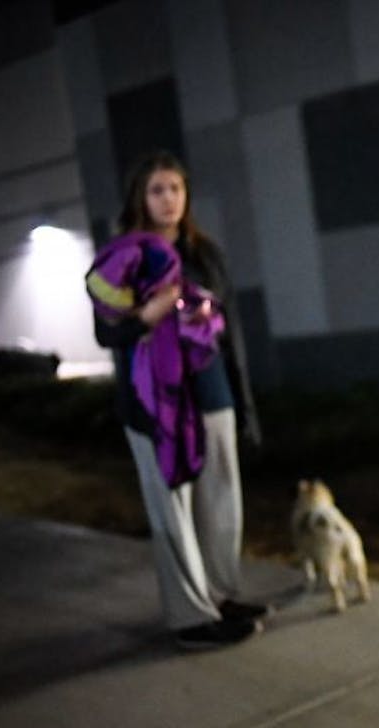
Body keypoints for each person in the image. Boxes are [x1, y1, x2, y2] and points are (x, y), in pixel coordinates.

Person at [91, 150, 269, 650]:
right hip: (154, 404)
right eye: (157, 190)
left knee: (222, 497)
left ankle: (221, 593)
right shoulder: (122, 257)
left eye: (175, 188)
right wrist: (146, 315)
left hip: (211, 392)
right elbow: (107, 335)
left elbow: (231, 334)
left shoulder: (205, 255)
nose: (168, 199)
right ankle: (191, 616)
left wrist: (244, 404)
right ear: (140, 199)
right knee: (172, 509)